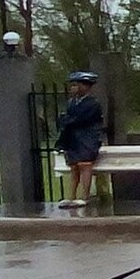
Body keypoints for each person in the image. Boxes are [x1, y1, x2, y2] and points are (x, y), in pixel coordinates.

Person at [55, 71, 105, 209]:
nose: (73, 88)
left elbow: (81, 120)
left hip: (87, 139)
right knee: (74, 168)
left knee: (85, 166)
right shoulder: (71, 102)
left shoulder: (93, 104)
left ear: (86, 86)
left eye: (76, 85)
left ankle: (85, 196)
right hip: (73, 140)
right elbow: (67, 120)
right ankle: (71, 196)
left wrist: (68, 120)